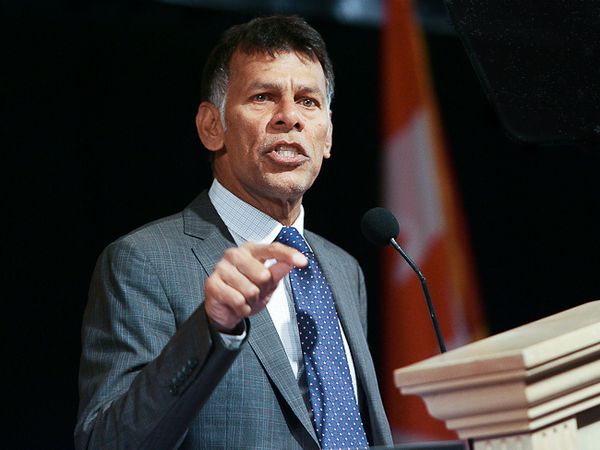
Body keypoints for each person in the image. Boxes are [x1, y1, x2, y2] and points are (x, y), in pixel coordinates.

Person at [75, 15, 392, 449]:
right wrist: (212, 329)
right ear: (212, 126)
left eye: (308, 101)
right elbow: (105, 442)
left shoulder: (343, 269)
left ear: (328, 135)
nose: (290, 118)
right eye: (263, 97)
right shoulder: (143, 262)